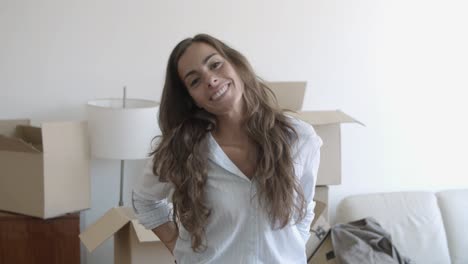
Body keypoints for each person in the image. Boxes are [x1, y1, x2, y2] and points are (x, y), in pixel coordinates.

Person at [132, 33, 322, 264]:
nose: (211, 80)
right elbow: (145, 201)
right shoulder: (182, 149)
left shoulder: (300, 138)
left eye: (215, 65)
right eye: (195, 81)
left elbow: (303, 212)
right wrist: (180, 249)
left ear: (236, 64)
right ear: (192, 99)